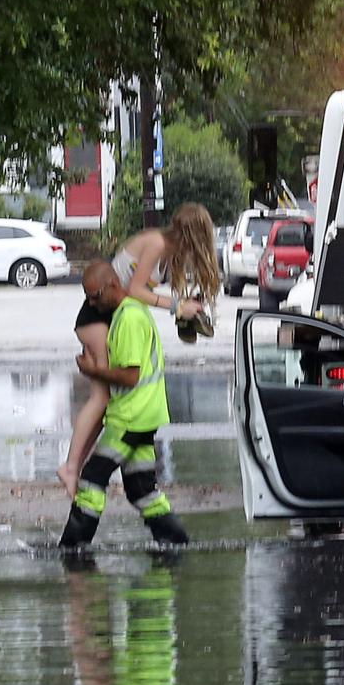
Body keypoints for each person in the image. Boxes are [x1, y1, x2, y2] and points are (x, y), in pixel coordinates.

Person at [58, 202, 220, 498]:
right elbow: (134, 290)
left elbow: (145, 293)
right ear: (191, 234)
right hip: (96, 318)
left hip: (109, 318)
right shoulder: (157, 243)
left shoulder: (170, 252)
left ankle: (75, 467)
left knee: (105, 400)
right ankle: (71, 467)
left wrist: (188, 306)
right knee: (101, 396)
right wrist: (176, 306)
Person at [59, 261, 190, 548]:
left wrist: (91, 371)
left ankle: (73, 547)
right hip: (145, 414)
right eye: (87, 297)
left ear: (113, 285)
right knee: (140, 486)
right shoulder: (127, 313)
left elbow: (130, 376)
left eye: (95, 296)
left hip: (131, 416)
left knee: (93, 478)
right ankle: (175, 541)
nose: (92, 303)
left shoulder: (129, 319)